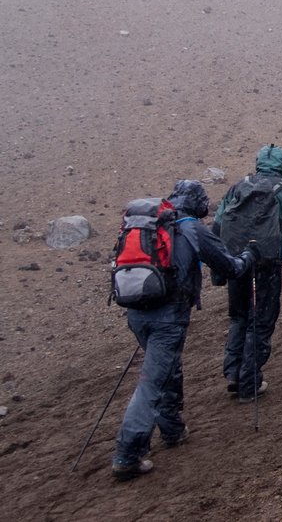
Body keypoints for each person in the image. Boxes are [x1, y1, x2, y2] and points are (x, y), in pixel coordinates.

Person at [112, 179, 256, 481]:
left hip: (137, 312)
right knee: (152, 381)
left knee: (166, 369)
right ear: (198, 204)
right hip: (168, 316)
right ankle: (128, 454)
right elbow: (230, 268)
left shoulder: (152, 226)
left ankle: (173, 429)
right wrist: (249, 257)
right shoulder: (191, 229)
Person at [212, 144, 282, 402]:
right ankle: (249, 383)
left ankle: (234, 374)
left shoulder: (238, 188)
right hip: (266, 266)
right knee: (261, 321)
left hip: (236, 264)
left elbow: (218, 227)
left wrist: (220, 271)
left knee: (239, 317)